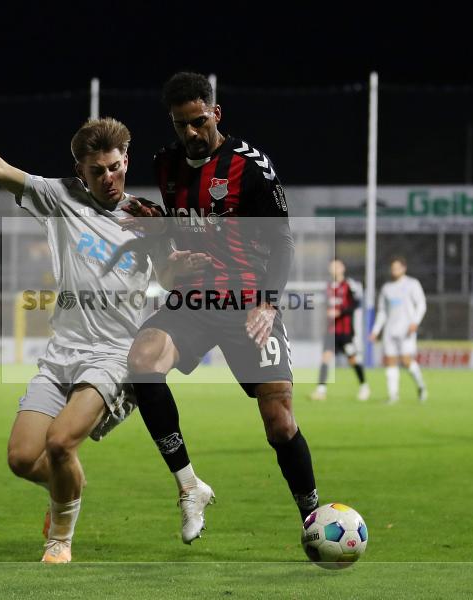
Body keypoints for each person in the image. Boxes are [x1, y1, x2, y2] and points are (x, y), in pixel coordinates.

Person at [0, 100, 206, 563]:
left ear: (126, 160)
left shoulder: (149, 217)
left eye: (115, 167)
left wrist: (176, 268)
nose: (108, 178)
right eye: (97, 171)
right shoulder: (59, 198)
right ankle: (68, 482)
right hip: (64, 353)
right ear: (80, 169)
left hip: (117, 354)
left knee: (60, 442)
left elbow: (166, 280)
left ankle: (59, 540)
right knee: (22, 458)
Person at [125, 72, 320, 545]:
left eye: (197, 121)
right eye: (179, 125)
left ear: (216, 114)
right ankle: (189, 486)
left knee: (279, 421)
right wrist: (161, 228)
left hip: (249, 302)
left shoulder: (251, 166)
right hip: (193, 299)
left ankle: (313, 516)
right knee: (142, 361)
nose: (189, 133)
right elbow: (181, 225)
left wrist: (268, 305)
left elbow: (283, 242)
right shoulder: (165, 165)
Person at [309, 260, 370, 401]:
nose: (334, 269)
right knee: (325, 358)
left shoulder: (349, 285)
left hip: (346, 331)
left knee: (353, 358)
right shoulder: (328, 287)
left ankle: (364, 386)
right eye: (332, 267)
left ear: (343, 268)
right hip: (331, 331)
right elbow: (326, 305)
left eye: (336, 266)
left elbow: (355, 304)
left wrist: (340, 312)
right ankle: (320, 391)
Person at [370, 256, 428, 404]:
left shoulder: (412, 284)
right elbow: (382, 311)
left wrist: (415, 322)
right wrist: (376, 330)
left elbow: (421, 304)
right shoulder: (386, 288)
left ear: (404, 268)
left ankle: (421, 386)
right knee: (390, 362)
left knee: (407, 361)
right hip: (390, 330)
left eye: (397, 267)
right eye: (393, 268)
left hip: (406, 330)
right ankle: (393, 396)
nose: (394, 270)